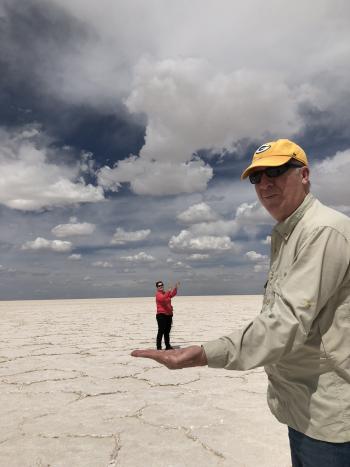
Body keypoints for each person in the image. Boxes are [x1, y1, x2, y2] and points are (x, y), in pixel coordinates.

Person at [132, 139, 350, 467]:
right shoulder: (289, 233)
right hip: (301, 408)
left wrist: (203, 354)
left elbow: (286, 323)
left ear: (304, 174)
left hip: (328, 417)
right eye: (256, 177)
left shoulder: (322, 231)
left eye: (275, 171)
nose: (264, 183)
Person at [155, 280, 179, 350]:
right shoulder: (158, 294)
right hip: (161, 315)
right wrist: (168, 291)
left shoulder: (165, 293)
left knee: (167, 332)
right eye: (159, 285)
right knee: (161, 331)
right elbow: (162, 299)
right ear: (157, 287)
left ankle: (167, 346)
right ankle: (159, 347)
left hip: (168, 315)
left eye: (162, 285)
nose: (161, 286)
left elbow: (172, 295)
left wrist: (175, 288)